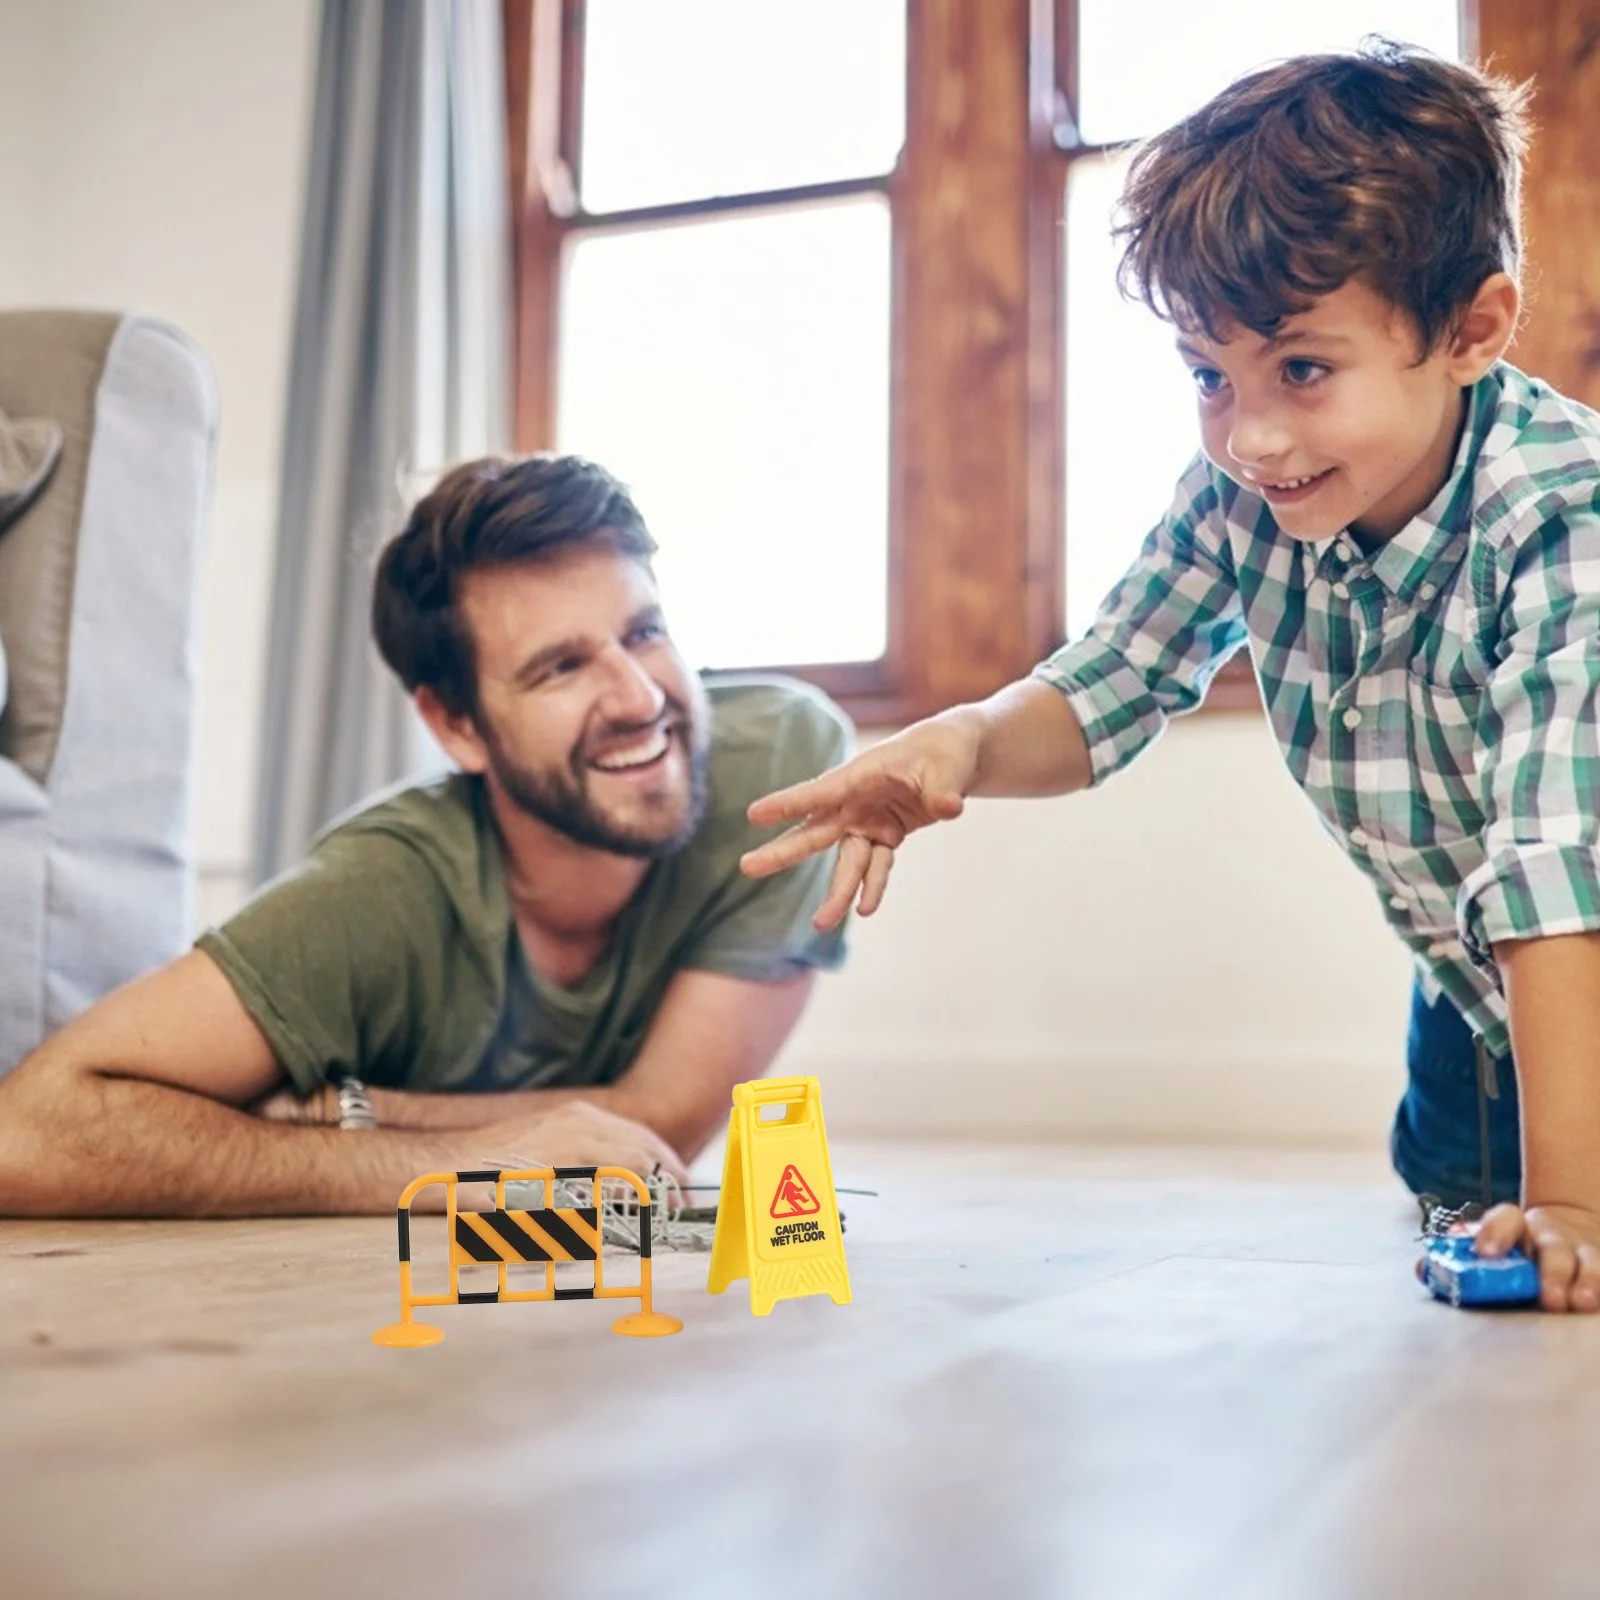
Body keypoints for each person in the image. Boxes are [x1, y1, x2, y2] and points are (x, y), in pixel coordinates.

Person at [741, 42, 1600, 1313]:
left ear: (1470, 327)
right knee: (1459, 1223)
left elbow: (1553, 868)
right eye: (1210, 376)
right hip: (1480, 1001)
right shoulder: (1245, 497)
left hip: (1568, 938)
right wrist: (963, 742)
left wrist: (1573, 1200)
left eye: (1302, 369)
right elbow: (1110, 684)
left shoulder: (1560, 513)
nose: (1249, 435)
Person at [0, 454, 850, 1215]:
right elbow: (27, 1135)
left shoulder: (780, 771)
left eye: (644, 632)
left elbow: (664, 1126)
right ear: (456, 726)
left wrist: (348, 1112)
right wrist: (454, 1164)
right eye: (562, 666)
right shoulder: (377, 894)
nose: (638, 698)